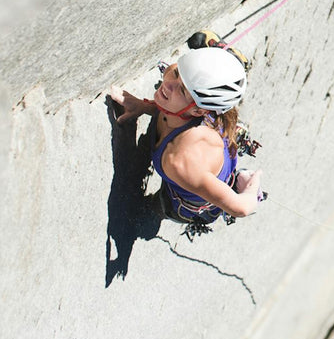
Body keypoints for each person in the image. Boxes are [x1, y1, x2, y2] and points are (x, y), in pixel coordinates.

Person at [108, 46, 262, 224]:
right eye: (176, 73)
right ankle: (226, 182)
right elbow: (176, 108)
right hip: (205, 169)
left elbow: (242, 208)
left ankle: (155, 210)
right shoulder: (191, 101)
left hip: (191, 199)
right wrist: (145, 106)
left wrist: (253, 188)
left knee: (163, 205)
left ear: (198, 111)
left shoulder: (181, 161)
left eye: (182, 90)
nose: (168, 84)